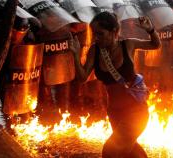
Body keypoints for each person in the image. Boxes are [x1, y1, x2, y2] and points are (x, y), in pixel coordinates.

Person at [69, 11, 160, 158]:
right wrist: (75, 54)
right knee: (128, 150)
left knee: (110, 150)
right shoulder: (95, 50)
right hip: (115, 112)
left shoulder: (128, 44)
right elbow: (82, 77)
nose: (96, 38)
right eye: (95, 34)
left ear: (114, 32)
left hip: (136, 111)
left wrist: (150, 30)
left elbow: (155, 45)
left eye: (100, 34)